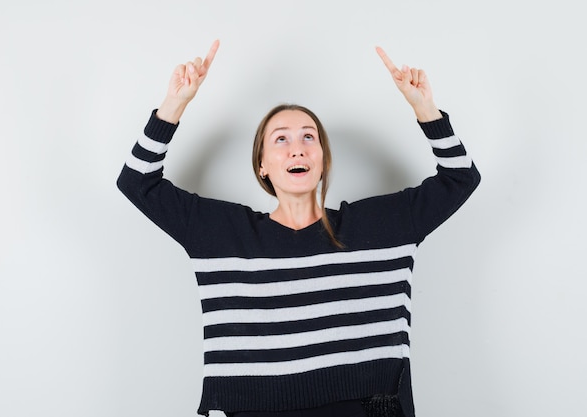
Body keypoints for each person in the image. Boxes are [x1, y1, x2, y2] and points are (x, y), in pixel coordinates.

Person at [117, 40, 480, 417]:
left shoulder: (382, 226)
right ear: (262, 165)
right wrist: (175, 104)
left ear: (322, 160)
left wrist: (426, 110)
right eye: (281, 139)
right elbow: (137, 182)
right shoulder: (221, 233)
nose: (298, 148)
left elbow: (460, 178)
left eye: (309, 137)